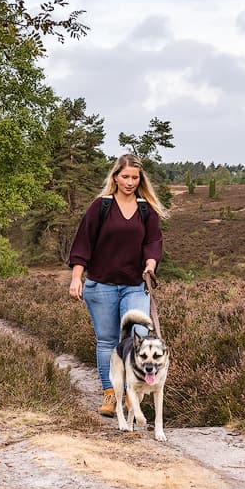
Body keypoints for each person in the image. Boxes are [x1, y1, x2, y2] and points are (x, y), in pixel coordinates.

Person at [68, 154, 167, 416]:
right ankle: (110, 394)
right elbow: (83, 244)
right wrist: (77, 277)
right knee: (108, 341)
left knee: (140, 337)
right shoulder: (100, 207)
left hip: (135, 284)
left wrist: (151, 264)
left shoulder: (146, 209)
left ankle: (130, 394)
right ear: (115, 177)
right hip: (101, 285)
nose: (130, 182)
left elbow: (153, 242)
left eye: (135, 177)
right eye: (125, 177)